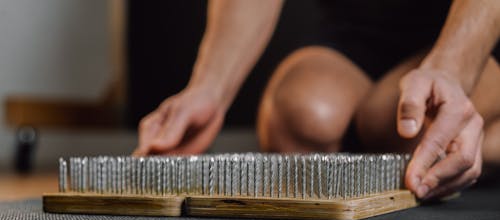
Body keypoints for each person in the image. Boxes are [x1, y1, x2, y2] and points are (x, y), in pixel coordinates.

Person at [133, 0, 500, 200]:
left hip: (482, 31)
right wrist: (209, 89)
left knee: (403, 127)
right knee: (301, 116)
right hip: (364, 30)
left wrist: (452, 68)